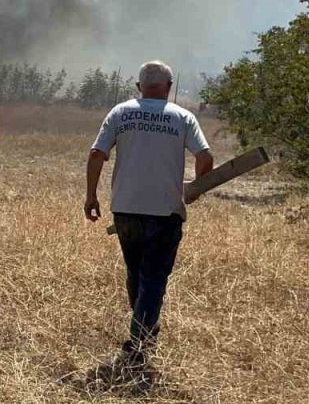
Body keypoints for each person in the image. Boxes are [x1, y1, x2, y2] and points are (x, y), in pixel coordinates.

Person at [84, 61, 213, 383]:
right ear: (168, 86)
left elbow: (97, 153)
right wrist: (196, 188)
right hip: (165, 211)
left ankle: (143, 325)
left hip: (125, 209)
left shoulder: (120, 112)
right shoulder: (183, 117)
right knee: (154, 277)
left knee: (136, 272)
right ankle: (139, 342)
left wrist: (91, 197)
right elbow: (205, 157)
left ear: (139, 87)